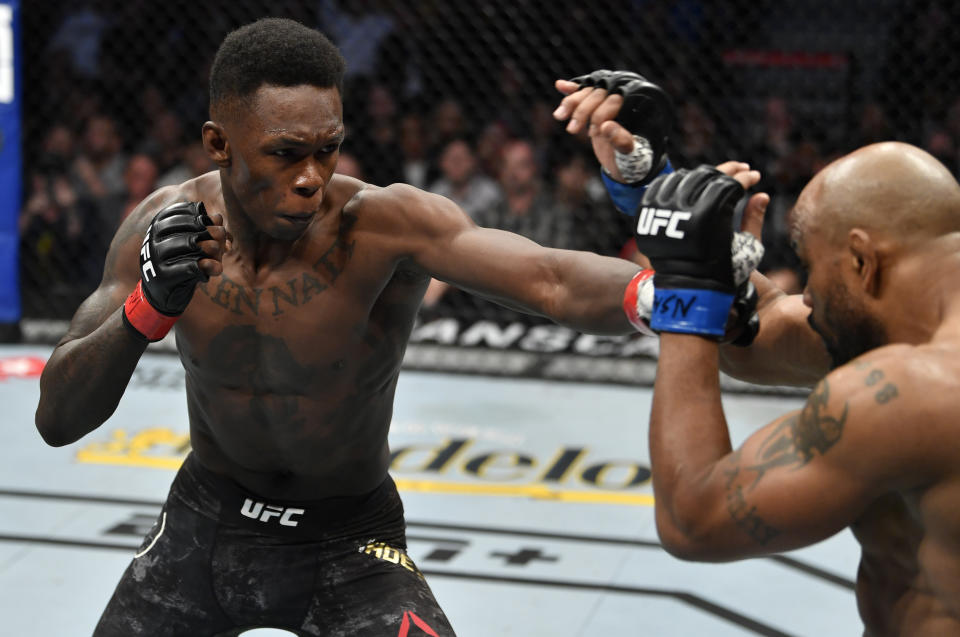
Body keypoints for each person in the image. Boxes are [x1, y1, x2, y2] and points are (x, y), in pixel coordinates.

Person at [34, 19, 679, 636]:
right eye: (285, 155)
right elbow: (57, 420)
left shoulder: (384, 223)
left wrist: (668, 296)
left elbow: (550, 279)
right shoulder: (162, 225)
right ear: (219, 144)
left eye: (327, 149)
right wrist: (147, 310)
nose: (311, 178)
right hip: (205, 525)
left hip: (348, 540)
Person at [555, 75, 960, 634]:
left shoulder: (915, 392)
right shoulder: (913, 315)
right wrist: (655, 192)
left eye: (813, 269)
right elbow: (761, 328)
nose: (808, 295)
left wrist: (686, 292)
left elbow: (693, 518)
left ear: (864, 261)